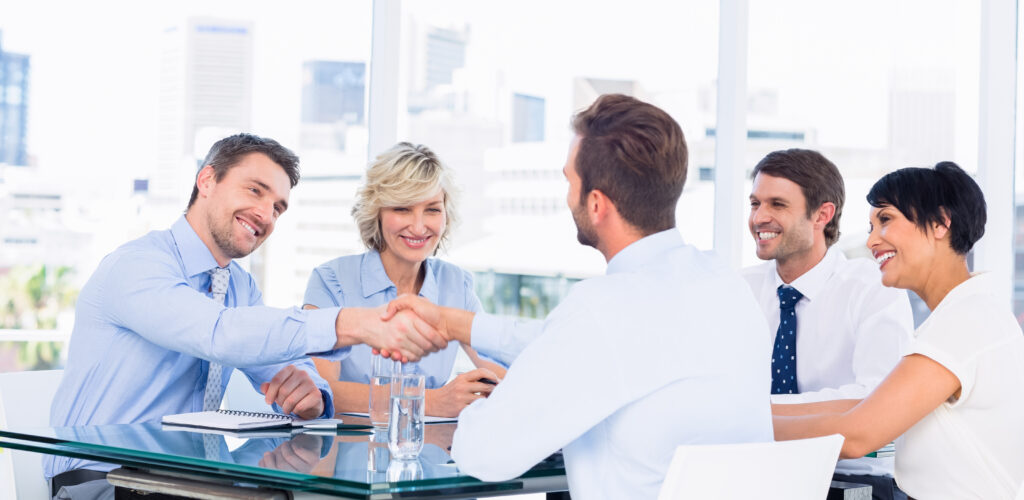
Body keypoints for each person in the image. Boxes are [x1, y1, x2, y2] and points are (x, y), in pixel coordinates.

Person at [383, 94, 774, 499]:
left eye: (570, 181)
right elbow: (589, 346)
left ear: (597, 204)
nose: (567, 196)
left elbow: (482, 455)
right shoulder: (724, 285)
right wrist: (459, 325)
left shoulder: (603, 309)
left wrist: (491, 398)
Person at [45, 133, 447, 497]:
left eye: (278, 207)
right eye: (255, 191)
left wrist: (309, 396)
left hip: (186, 481)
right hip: (102, 480)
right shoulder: (137, 266)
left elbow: (281, 361)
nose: (266, 214)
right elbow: (218, 332)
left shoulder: (239, 286)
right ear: (206, 181)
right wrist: (352, 323)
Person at [772, 162, 1024, 499]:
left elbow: (858, 434)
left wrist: (738, 426)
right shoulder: (965, 315)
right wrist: (752, 411)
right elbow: (865, 404)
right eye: (871, 225)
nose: (872, 240)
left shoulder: (966, 322)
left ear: (940, 223)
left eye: (886, 220)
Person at [742, 149, 913, 499]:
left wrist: (754, 412)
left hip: (849, 476)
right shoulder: (738, 290)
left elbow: (875, 398)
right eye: (755, 203)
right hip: (756, 469)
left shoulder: (872, 287)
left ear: (823, 214)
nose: (760, 217)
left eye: (777, 204)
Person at [303, 142, 504, 418]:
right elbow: (320, 390)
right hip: (350, 451)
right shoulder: (331, 281)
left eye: (432, 209)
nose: (419, 226)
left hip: (427, 453)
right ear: (378, 213)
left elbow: (501, 371)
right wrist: (430, 401)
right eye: (402, 209)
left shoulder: (457, 285)